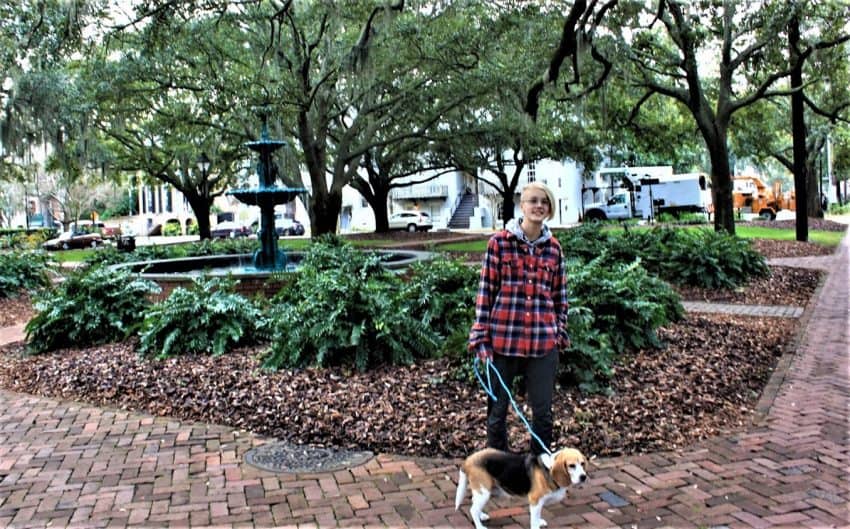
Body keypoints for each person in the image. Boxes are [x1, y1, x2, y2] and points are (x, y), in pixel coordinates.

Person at [468, 182, 570, 456]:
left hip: (542, 344)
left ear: (549, 209)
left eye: (544, 202)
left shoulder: (554, 249)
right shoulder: (499, 243)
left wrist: (559, 333)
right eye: (533, 201)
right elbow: (485, 292)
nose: (539, 206)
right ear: (522, 206)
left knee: (543, 414)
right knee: (497, 411)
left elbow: (560, 297)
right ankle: (497, 468)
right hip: (503, 341)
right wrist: (480, 336)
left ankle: (540, 472)